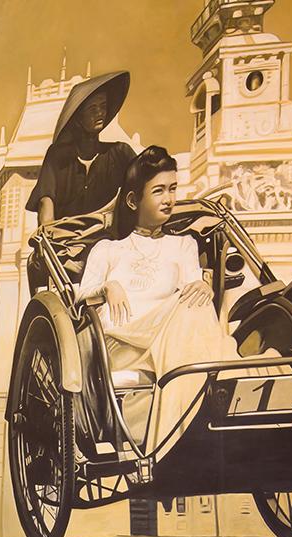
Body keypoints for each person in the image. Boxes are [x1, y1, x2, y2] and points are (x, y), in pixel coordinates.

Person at [76, 146, 234, 455]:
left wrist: (204, 287)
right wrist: (107, 287)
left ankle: (202, 405)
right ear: (133, 200)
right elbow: (80, 296)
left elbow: (192, 296)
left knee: (197, 301)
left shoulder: (183, 245)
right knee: (192, 307)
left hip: (171, 342)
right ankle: (180, 434)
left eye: (173, 188)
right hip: (122, 345)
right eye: (158, 191)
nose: (169, 199)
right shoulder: (108, 250)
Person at [26, 71, 136, 275]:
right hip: (69, 249)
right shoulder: (57, 157)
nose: (100, 112)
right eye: (92, 108)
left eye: (103, 106)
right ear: (78, 117)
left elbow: (144, 187)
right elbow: (46, 202)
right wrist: (50, 240)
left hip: (113, 245)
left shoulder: (120, 153)